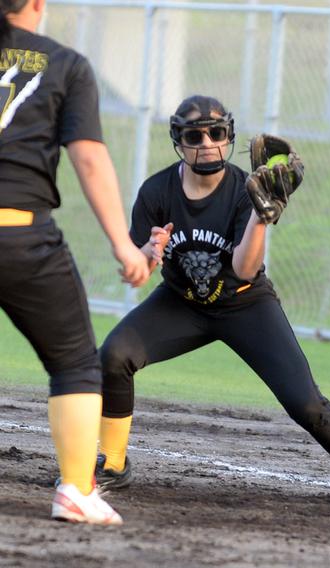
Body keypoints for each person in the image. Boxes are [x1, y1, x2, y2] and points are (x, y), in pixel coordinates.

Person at [94, 94, 330, 504]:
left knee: (305, 403)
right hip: (181, 303)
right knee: (114, 354)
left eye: (217, 133)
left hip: (246, 304)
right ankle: (112, 465)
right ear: (179, 141)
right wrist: (146, 254)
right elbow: (135, 272)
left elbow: (246, 268)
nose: (208, 142)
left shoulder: (242, 190)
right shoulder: (157, 191)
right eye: (195, 135)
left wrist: (261, 216)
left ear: (229, 136)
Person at [1, 0, 150, 524]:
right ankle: (76, 490)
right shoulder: (65, 63)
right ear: (37, 4)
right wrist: (123, 245)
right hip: (20, 236)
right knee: (74, 364)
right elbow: (88, 157)